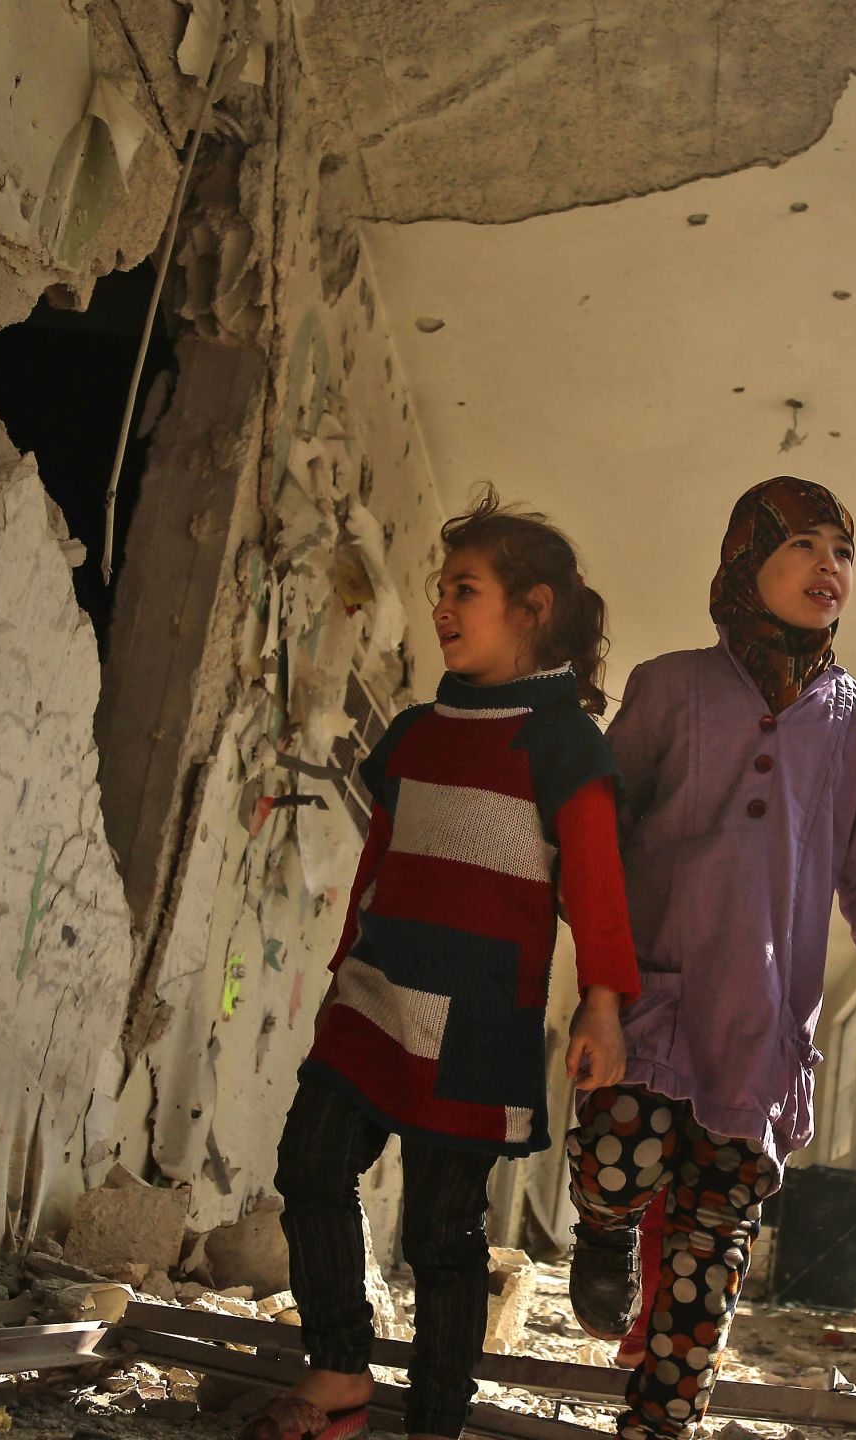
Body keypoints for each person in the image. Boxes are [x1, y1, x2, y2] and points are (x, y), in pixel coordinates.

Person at [564, 476, 856, 1440]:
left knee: (712, 1255)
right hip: (649, 996)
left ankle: (660, 1422)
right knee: (616, 1160)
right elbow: (601, 837)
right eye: (803, 544)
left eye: (844, 550)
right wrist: (597, 987)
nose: (829, 566)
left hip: (759, 1028)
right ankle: (603, 1230)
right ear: (748, 559)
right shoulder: (669, 687)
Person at [249, 488, 640, 1440]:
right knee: (310, 1165)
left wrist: (602, 1006)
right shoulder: (416, 731)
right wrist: (340, 979)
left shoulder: (563, 744)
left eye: (464, 588)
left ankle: (434, 1420)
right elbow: (375, 873)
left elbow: (596, 890)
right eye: (439, 589)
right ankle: (339, 1367)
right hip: (374, 1003)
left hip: (479, 1024)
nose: (441, 607)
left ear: (533, 607)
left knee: (444, 1235)